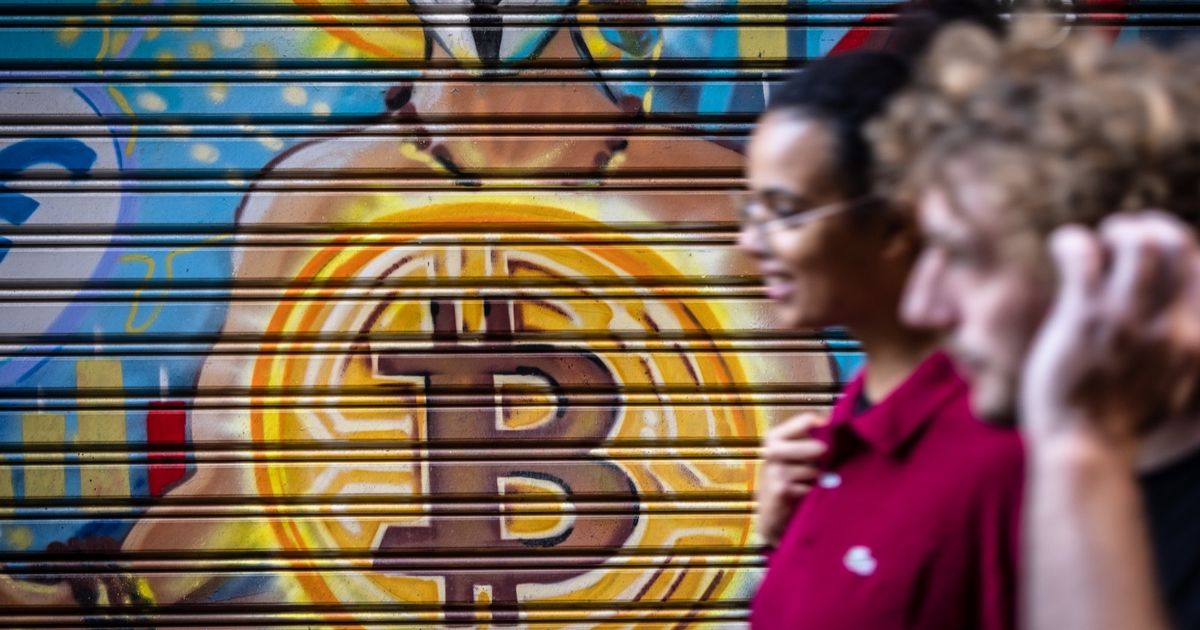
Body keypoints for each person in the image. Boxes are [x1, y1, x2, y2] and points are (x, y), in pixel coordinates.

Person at [872, 17, 1200, 630]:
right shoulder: (1029, 477)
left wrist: (1083, 440)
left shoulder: (1079, 464)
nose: (923, 307)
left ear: (1115, 266)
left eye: (962, 256)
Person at [745, 31, 1024, 630]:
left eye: (784, 212)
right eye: (752, 211)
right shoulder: (846, 426)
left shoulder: (998, 456)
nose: (751, 242)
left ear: (897, 226)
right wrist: (778, 536)